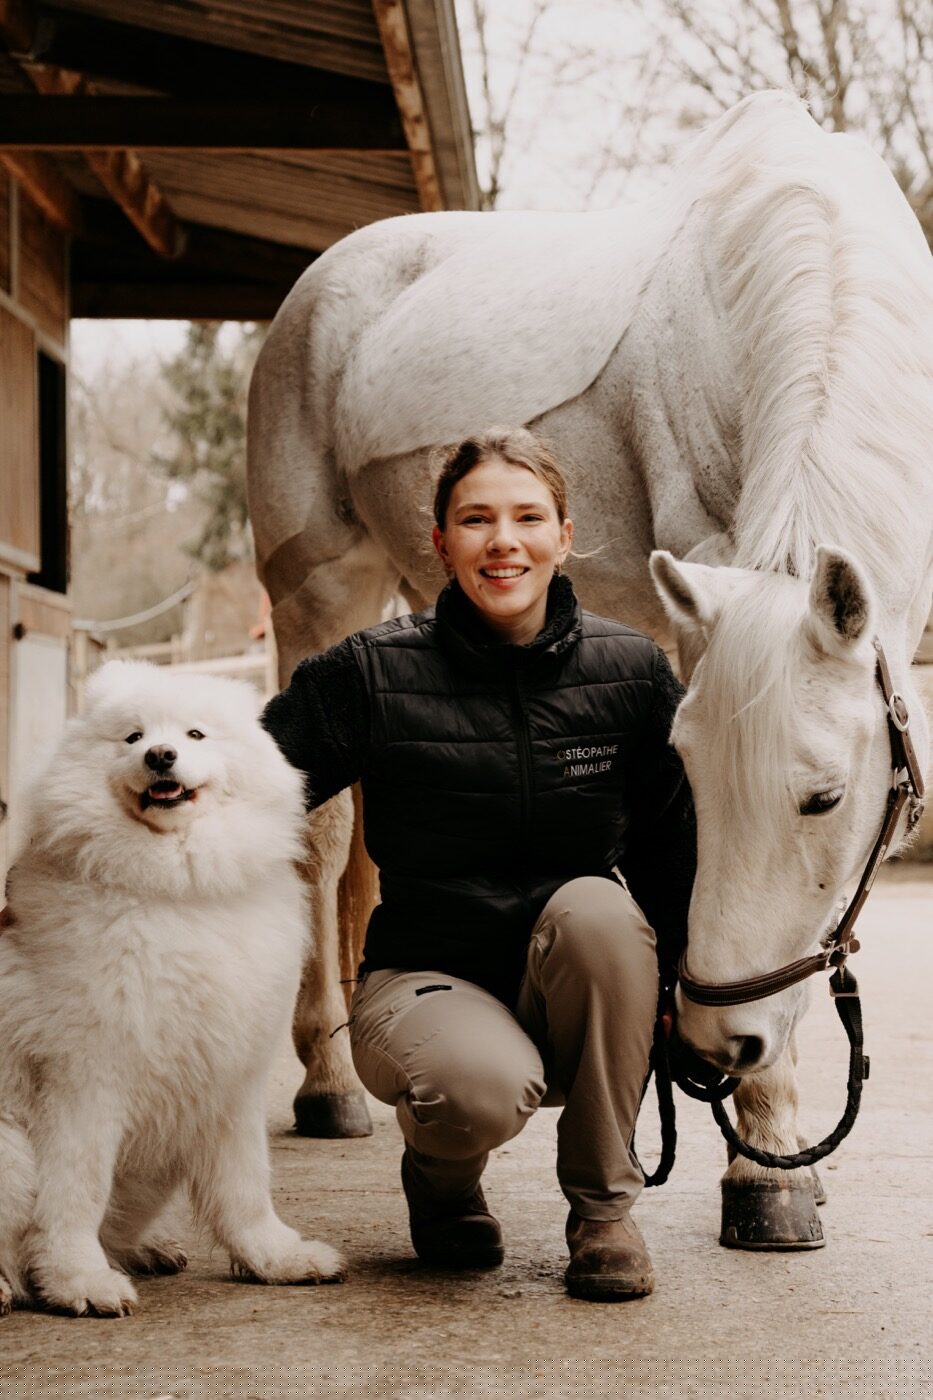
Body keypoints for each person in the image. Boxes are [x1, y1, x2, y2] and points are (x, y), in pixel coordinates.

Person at [261, 427, 696, 1301]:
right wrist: (68, 872)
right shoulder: (370, 673)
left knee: (602, 911)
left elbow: (672, 845)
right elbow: (238, 783)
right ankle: (443, 1180)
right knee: (477, 1091)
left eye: (527, 518)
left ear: (564, 537)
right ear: (440, 542)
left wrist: (687, 987)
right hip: (423, 979)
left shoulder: (632, 672)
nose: (503, 542)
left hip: (568, 976)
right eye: (475, 520)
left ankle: (603, 1213)